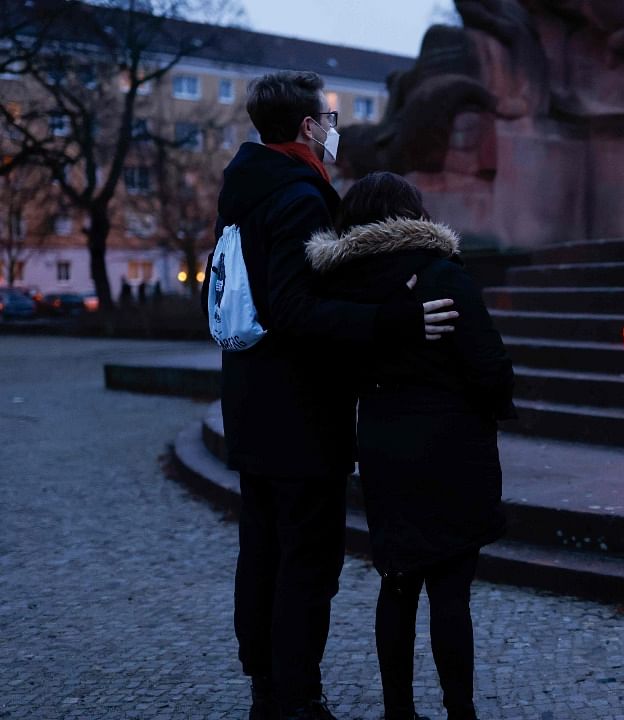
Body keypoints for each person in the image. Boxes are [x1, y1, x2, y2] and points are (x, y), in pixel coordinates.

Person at [206, 72, 459, 720]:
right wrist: (389, 322)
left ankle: (268, 688)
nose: (334, 126)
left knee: (263, 550)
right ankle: (296, 698)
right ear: (308, 128)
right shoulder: (298, 197)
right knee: (305, 560)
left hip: (253, 402)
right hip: (298, 410)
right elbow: (294, 307)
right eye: (328, 116)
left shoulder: (246, 188)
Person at [306, 172, 514, 720]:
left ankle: (398, 711)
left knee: (396, 583)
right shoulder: (441, 273)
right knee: (451, 591)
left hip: (383, 445)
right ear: (411, 216)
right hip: (450, 446)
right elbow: (489, 366)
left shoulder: (337, 287)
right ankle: (459, 712)